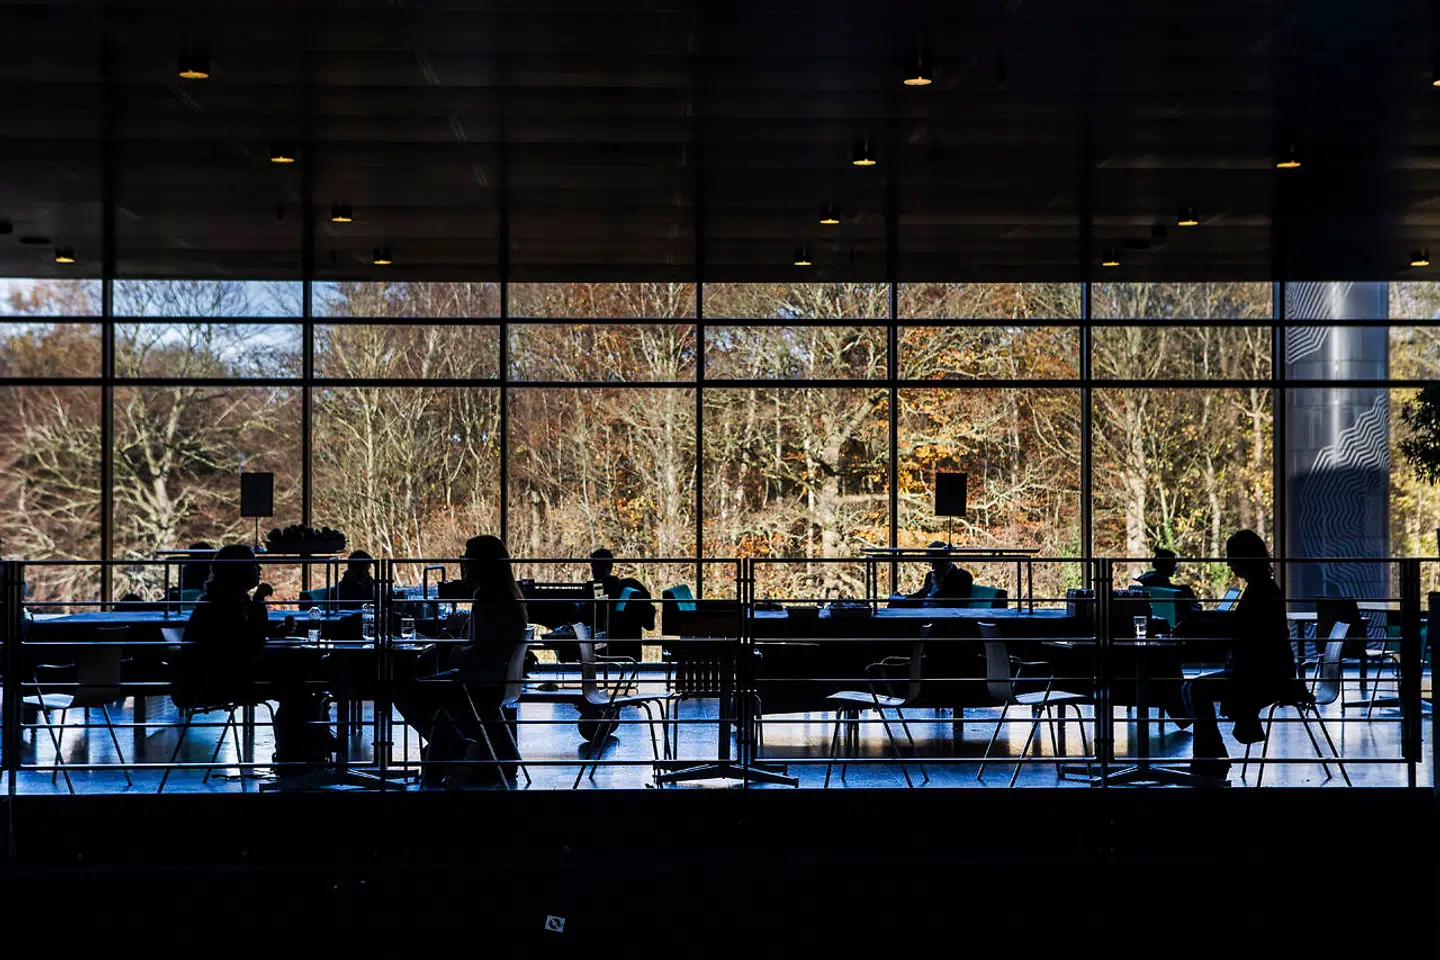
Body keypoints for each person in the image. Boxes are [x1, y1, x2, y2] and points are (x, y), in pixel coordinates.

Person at [175, 544, 332, 777]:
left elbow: (245, 640)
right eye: (252, 564)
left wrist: (275, 630)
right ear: (238, 571)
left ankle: (304, 749)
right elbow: (249, 644)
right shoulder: (223, 605)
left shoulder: (224, 601)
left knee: (296, 680)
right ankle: (304, 749)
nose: (258, 569)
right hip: (219, 682)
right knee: (296, 682)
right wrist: (259, 603)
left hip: (221, 675)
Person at [391, 535, 526, 788]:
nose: (463, 563)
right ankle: (453, 753)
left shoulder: (487, 596)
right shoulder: (507, 593)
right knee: (438, 699)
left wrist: (450, 648)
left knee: (404, 691)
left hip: (479, 682)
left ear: (480, 563)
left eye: (467, 558)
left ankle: (456, 747)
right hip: (498, 680)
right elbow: (490, 642)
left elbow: (481, 653)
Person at [1181, 530, 1296, 782]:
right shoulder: (1263, 589)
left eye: (1231, 557)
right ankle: (1211, 757)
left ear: (1245, 558)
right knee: (1195, 688)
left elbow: (1244, 631)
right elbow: (1245, 628)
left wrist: (1202, 625)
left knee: (1196, 688)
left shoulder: (1259, 592)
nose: (1228, 564)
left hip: (1261, 677)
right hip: (1268, 672)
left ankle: (1211, 759)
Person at [588, 547, 655, 661]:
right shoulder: (628, 587)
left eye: (593, 567)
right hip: (630, 649)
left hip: (609, 649)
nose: (592, 571)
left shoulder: (604, 591)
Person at [1135, 547, 1199, 622]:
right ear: (1168, 566)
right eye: (1173, 564)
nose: (1175, 568)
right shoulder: (1182, 591)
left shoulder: (1148, 584)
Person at [906, 541, 974, 606]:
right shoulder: (930, 576)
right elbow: (922, 594)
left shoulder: (963, 577)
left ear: (946, 560)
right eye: (931, 562)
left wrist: (939, 586)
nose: (933, 566)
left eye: (935, 562)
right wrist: (902, 600)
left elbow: (953, 603)